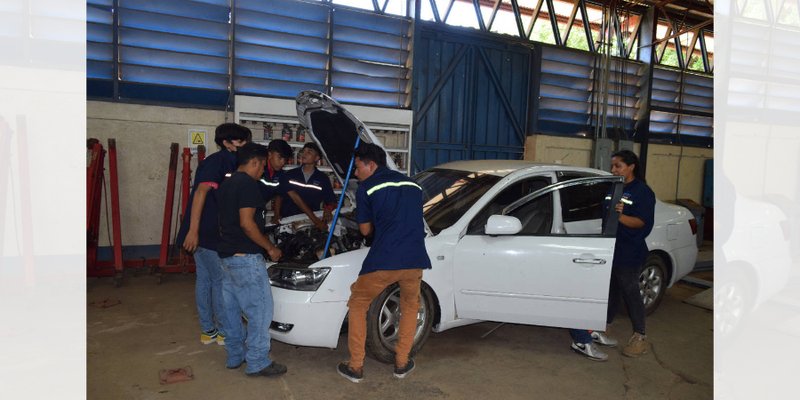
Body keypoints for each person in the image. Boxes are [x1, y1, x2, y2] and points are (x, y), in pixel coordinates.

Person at [336, 143, 432, 383]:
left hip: (384, 258)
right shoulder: (413, 184)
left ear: (371, 165)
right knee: (410, 306)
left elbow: (366, 230)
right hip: (414, 258)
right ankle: (401, 363)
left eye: (358, 167)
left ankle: (356, 366)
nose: (356, 173)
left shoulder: (366, 187)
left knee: (358, 303)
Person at [568, 150, 655, 360]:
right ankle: (603, 326)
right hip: (609, 249)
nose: (613, 169)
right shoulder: (614, 186)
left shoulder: (642, 191)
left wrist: (621, 216)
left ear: (631, 166)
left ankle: (640, 336)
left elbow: (643, 223)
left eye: (618, 166)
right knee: (610, 290)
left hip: (629, 251)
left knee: (630, 291)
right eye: (613, 165)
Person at [175, 122, 251, 346]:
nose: (244, 144)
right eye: (240, 141)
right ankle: (226, 330)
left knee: (206, 279)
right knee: (219, 281)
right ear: (226, 143)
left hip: (206, 230)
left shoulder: (230, 161)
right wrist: (193, 231)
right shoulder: (217, 162)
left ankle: (208, 330)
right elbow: (200, 193)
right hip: (207, 231)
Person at [216, 142, 287, 377]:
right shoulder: (248, 184)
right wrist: (270, 248)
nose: (263, 171)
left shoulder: (226, 184)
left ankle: (235, 355)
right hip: (246, 258)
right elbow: (247, 224)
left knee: (231, 310)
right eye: (262, 166)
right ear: (255, 162)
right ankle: (257, 361)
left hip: (226, 258)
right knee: (261, 311)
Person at [272, 142, 335, 231]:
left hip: (309, 222)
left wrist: (328, 210)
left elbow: (331, 201)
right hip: (289, 220)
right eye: (303, 151)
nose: (304, 154)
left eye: (309, 152)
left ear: (317, 158)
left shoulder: (323, 179)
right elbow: (279, 196)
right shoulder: (289, 175)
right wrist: (276, 214)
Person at [259, 139, 293, 211]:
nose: (283, 162)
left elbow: (281, 193)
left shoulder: (280, 174)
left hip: (259, 210)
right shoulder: (257, 169)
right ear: (269, 154)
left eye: (285, 160)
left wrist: (276, 214)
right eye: (280, 158)